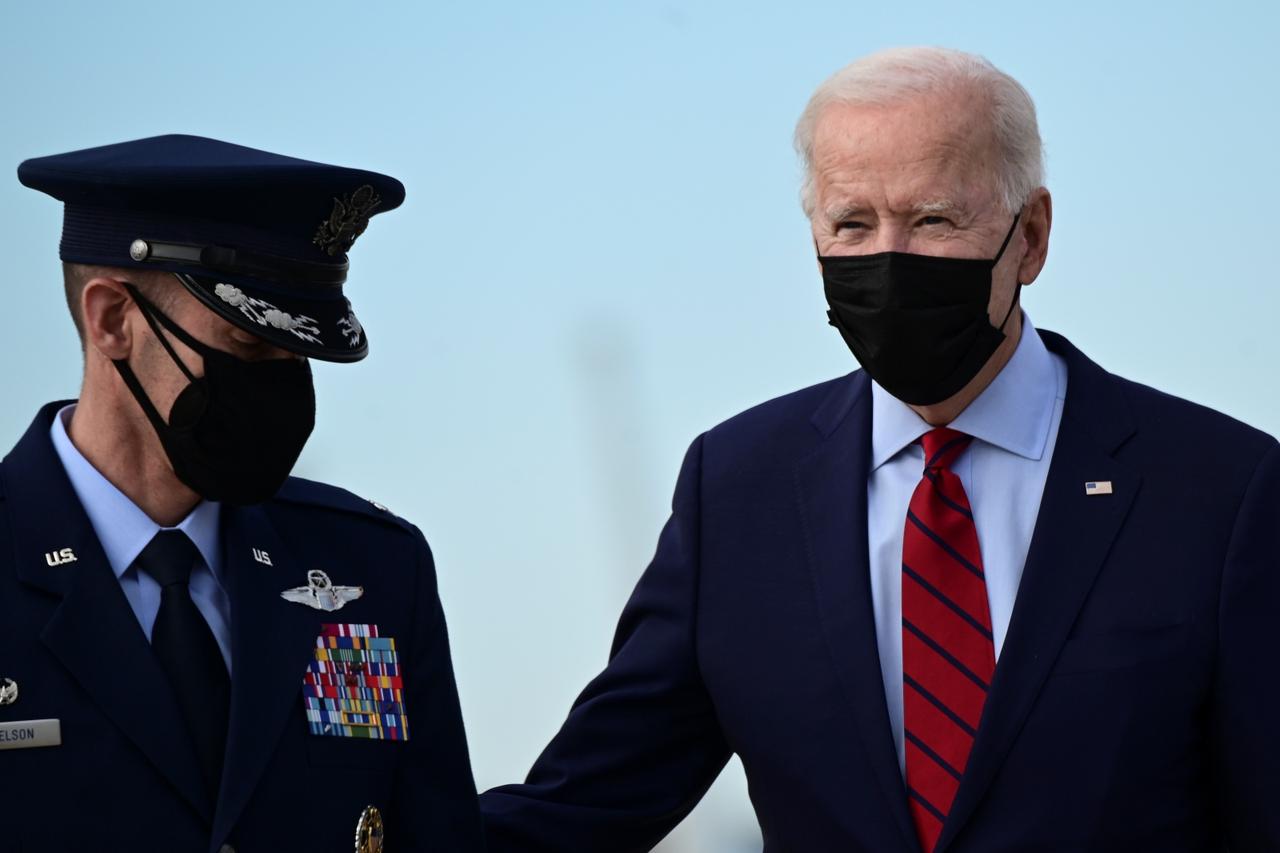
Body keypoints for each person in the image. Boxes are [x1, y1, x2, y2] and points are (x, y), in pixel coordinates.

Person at [479, 47, 1280, 852]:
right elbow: (581, 806)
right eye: (852, 223)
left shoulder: (1219, 491)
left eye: (933, 219)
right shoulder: (736, 492)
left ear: (1030, 236)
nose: (889, 258)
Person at [0, 134, 482, 852]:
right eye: (252, 346)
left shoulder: (375, 570)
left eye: (299, 355)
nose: (282, 387)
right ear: (112, 321)